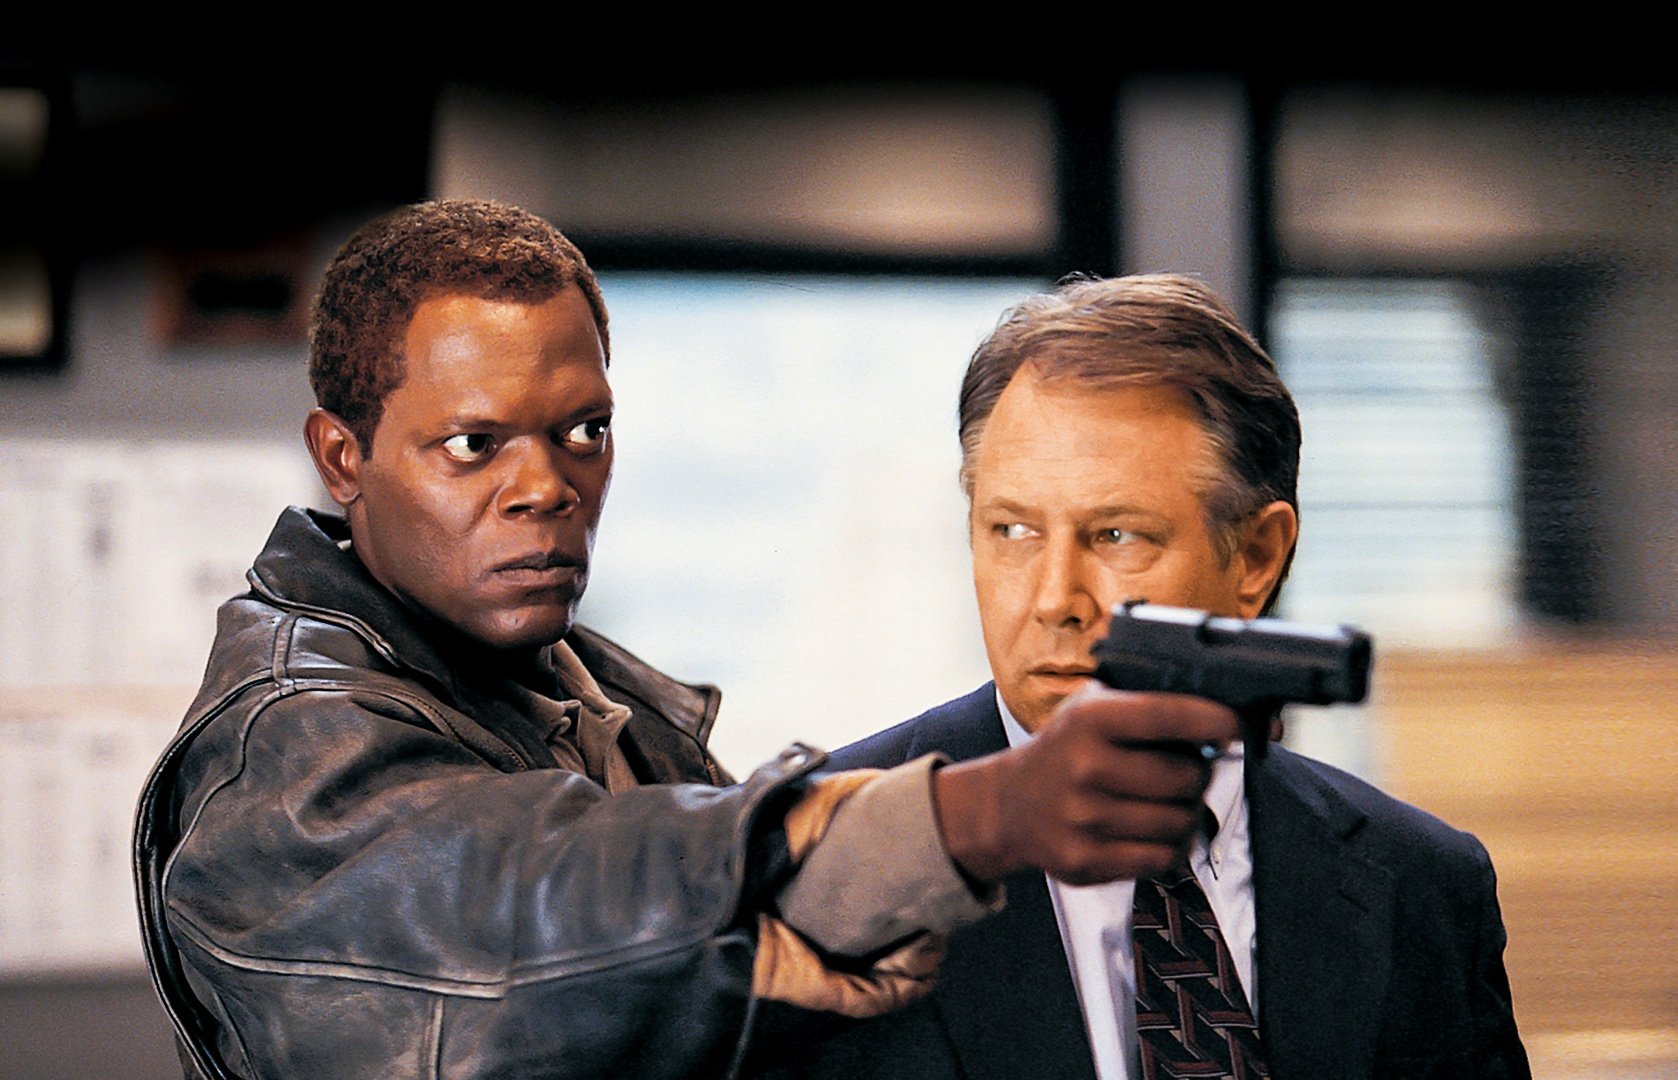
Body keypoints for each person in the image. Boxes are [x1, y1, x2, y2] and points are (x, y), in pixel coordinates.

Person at [133, 203, 1246, 1080]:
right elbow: (520, 905)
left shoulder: (606, 709)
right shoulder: (284, 754)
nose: (546, 487)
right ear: (343, 458)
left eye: (584, 431)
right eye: (474, 445)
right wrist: (983, 812)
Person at [779, 274, 1530, 1079]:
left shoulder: (1422, 883)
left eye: (1115, 535)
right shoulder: (814, 862)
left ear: (1257, 557)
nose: (1053, 600)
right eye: (1013, 530)